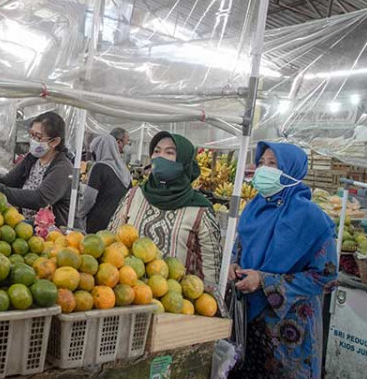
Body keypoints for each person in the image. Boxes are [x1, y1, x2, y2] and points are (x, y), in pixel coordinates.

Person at [228, 142, 337, 379]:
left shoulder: (312, 218)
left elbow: (326, 278)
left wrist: (266, 281)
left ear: (291, 170)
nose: (263, 170)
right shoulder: (253, 209)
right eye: (261, 163)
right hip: (247, 322)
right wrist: (233, 265)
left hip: (288, 334)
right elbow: (239, 248)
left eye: (272, 164)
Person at [107, 131, 222, 284]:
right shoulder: (134, 196)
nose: (160, 157)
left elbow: (211, 270)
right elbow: (111, 240)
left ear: (184, 161)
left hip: (177, 302)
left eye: (169, 152)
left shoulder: (200, 210)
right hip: (129, 294)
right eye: (156, 151)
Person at [0, 111, 72, 226]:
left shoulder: (62, 169)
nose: (32, 140)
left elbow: (40, 199)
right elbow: (8, 181)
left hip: (50, 233)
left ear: (55, 141)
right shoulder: (33, 158)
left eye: (38, 137)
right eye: (31, 135)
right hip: (25, 225)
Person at [78, 134, 131, 233]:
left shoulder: (99, 168)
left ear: (99, 150)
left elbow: (89, 198)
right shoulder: (125, 171)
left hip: (98, 223)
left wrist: (79, 215)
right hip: (117, 223)